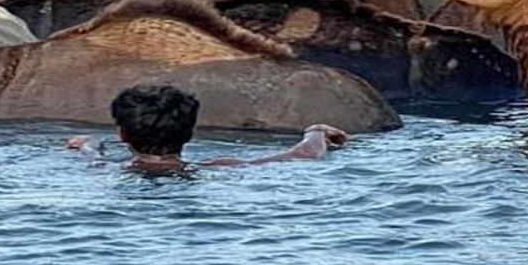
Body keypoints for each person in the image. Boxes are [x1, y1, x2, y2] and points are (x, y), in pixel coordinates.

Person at [66, 85, 348, 170]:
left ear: (122, 134)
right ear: (190, 132)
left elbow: (91, 154)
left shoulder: (104, 168)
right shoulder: (220, 165)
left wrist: (85, 145)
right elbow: (303, 155)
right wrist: (317, 130)